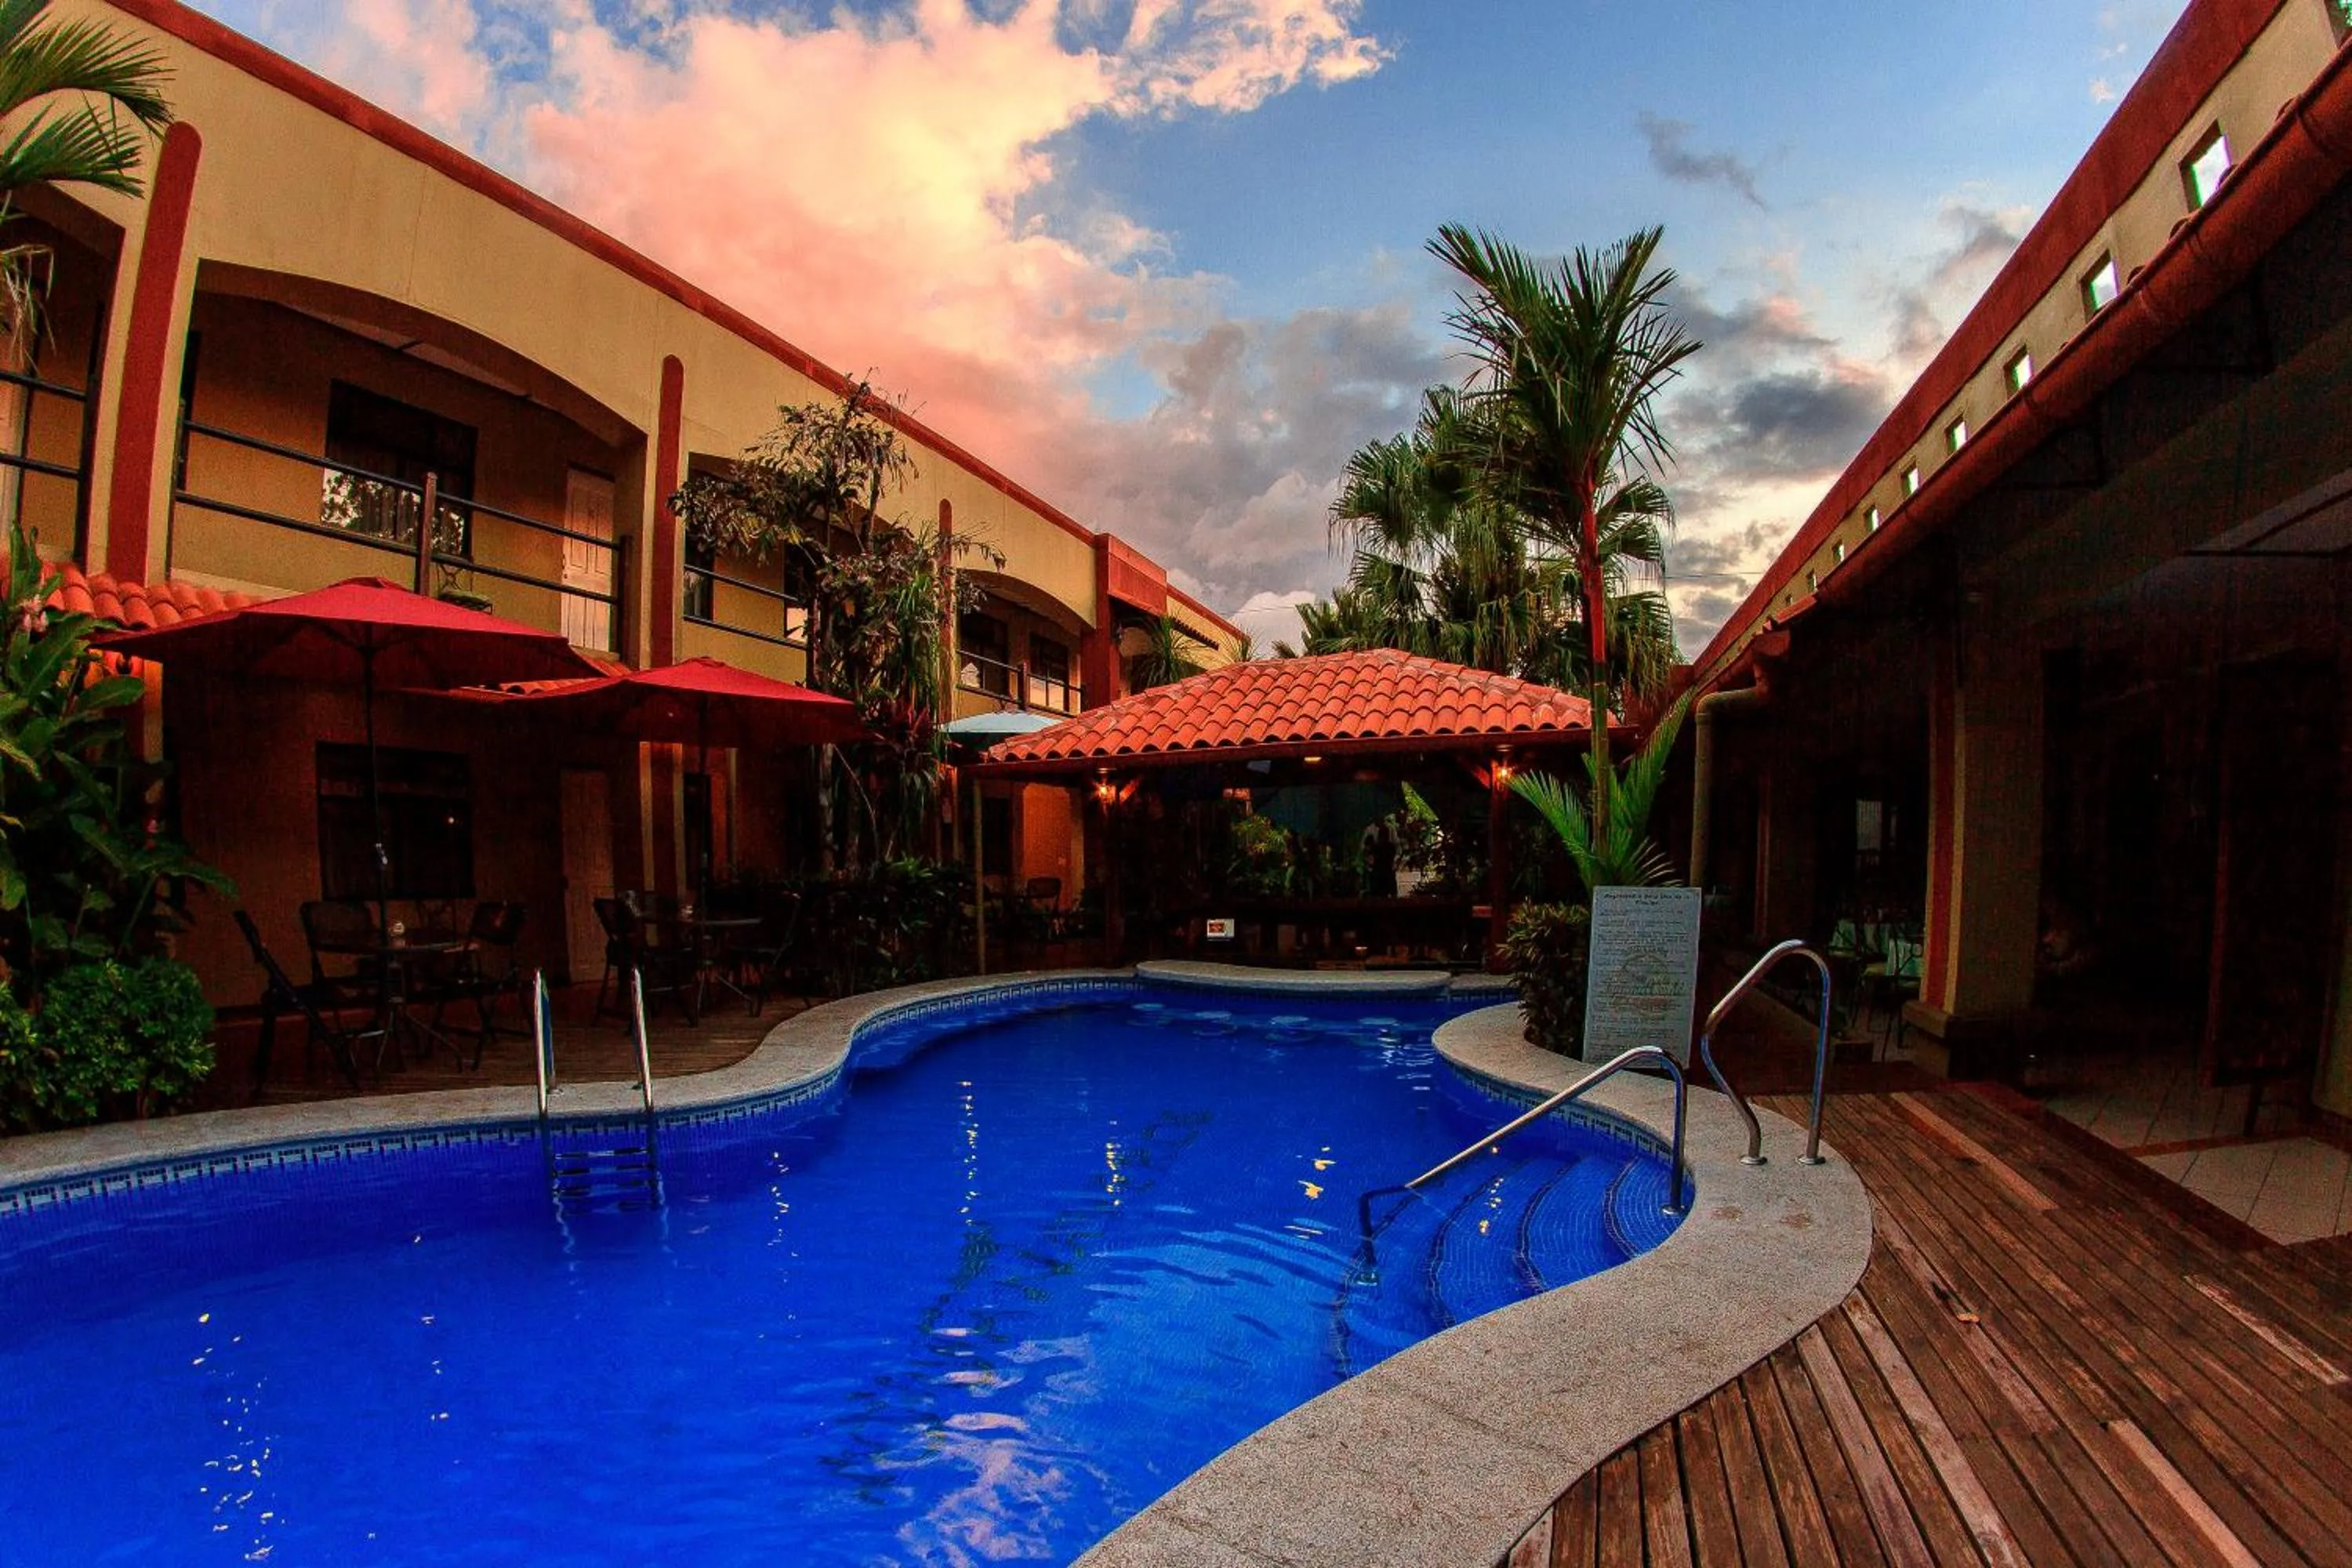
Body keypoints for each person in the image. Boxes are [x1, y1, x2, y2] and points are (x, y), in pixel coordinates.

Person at [1362, 815, 1399, 898]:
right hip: (1386, 873)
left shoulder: (1377, 847)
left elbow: (1366, 852)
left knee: (1378, 895)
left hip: (1380, 874)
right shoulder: (1389, 847)